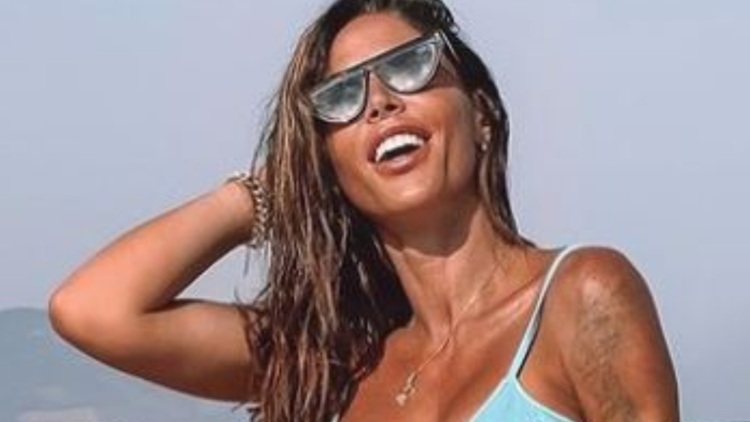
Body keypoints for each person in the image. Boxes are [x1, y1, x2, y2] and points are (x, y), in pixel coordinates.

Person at [48, 0, 679, 421]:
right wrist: (269, 192)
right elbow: (92, 310)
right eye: (342, 96)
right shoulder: (333, 364)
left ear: (481, 116)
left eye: (410, 66)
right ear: (328, 162)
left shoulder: (580, 296)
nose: (379, 103)